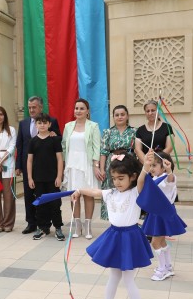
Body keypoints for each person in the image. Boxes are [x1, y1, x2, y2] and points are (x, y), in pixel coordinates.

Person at [73, 153, 152, 299]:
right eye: (114, 178)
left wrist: (146, 166)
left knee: (128, 278)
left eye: (121, 178)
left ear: (131, 176)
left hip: (130, 238)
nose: (116, 182)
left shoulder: (135, 192)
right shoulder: (111, 193)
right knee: (114, 276)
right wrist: (78, 190)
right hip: (114, 236)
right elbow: (94, 191)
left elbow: (141, 180)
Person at [15, 96, 60, 234]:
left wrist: (54, 134)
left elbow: (58, 139)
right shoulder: (23, 123)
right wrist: (18, 166)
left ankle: (50, 224)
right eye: (29, 107)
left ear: (41, 107)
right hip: (28, 166)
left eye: (34, 107)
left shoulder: (51, 121)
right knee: (29, 196)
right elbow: (20, 145)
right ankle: (31, 223)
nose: (31, 110)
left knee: (47, 196)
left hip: (46, 167)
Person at [142, 151, 186, 281]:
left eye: (154, 165)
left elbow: (171, 180)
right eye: (151, 165)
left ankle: (162, 269)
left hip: (162, 214)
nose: (152, 168)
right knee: (161, 241)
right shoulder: (154, 178)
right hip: (156, 213)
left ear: (164, 166)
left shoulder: (167, 178)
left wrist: (169, 170)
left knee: (155, 242)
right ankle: (167, 266)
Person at [62, 98, 101, 239]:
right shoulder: (68, 126)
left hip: (87, 164)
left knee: (88, 195)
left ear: (87, 111)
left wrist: (96, 166)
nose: (78, 111)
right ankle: (77, 226)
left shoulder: (93, 126)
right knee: (74, 196)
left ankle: (88, 226)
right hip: (72, 164)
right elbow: (64, 146)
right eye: (76, 108)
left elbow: (97, 147)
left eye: (81, 108)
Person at [27, 113, 65, 241]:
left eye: (44, 122)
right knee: (40, 205)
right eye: (39, 123)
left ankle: (58, 227)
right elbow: (30, 161)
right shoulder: (33, 141)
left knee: (55, 204)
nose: (42, 125)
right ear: (36, 125)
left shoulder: (54, 140)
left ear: (49, 124)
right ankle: (42, 227)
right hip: (38, 179)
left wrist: (59, 176)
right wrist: (30, 178)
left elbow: (60, 159)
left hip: (53, 178)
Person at [99, 105, 136, 220]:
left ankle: (128, 218)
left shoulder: (134, 131)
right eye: (117, 115)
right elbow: (103, 152)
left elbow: (137, 149)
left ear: (127, 116)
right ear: (113, 117)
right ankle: (114, 219)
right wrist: (101, 169)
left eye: (122, 114)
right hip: (112, 165)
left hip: (128, 164)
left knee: (128, 191)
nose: (120, 117)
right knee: (112, 192)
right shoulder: (107, 132)